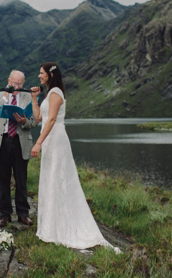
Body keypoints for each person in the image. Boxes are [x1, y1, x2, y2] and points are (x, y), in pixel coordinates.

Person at [29, 62, 121, 252]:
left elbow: (52, 120)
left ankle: (61, 226)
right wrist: (34, 99)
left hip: (56, 139)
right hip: (49, 139)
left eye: (41, 73)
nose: (39, 76)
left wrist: (38, 142)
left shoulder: (56, 93)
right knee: (49, 179)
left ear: (50, 75)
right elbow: (39, 118)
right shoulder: (49, 93)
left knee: (58, 178)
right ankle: (50, 225)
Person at [0, 70, 37, 227]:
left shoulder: (29, 97)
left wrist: (23, 121)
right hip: (2, 142)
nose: (17, 86)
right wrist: (5, 98)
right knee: (3, 180)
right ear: (9, 81)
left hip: (20, 142)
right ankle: (5, 215)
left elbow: (34, 121)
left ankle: (23, 214)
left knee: (21, 180)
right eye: (15, 83)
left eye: (20, 84)